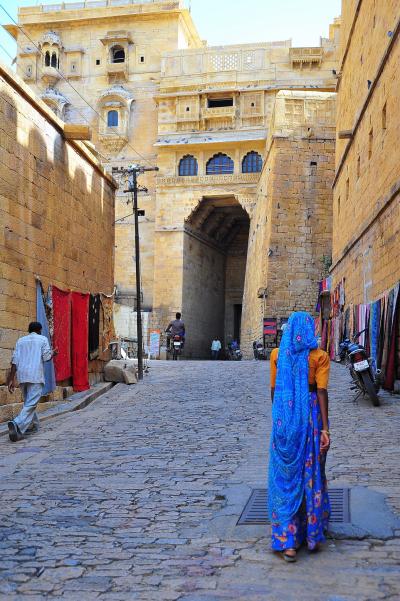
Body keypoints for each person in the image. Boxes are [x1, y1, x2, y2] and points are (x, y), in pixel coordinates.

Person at [268, 311, 331, 562]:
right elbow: (322, 392)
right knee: (310, 472)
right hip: (310, 420)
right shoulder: (320, 357)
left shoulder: (277, 356)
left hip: (285, 422)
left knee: (285, 477)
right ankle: (312, 533)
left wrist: (280, 423)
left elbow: (274, 391)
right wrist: (326, 428)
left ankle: (287, 540)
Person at [7, 322, 58, 442]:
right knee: (31, 404)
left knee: (28, 402)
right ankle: (17, 423)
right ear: (39, 330)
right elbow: (46, 357)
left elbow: (15, 360)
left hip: (22, 376)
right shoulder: (42, 339)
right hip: (35, 375)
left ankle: (33, 425)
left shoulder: (21, 341)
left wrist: (11, 379)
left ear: (29, 330)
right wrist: (53, 353)